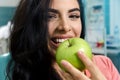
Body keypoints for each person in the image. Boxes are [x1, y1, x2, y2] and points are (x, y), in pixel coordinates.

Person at [6, 0, 120, 80]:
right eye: (50, 16)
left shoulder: (105, 65)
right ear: (31, 25)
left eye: (74, 16)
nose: (65, 27)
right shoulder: (24, 74)